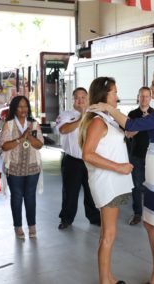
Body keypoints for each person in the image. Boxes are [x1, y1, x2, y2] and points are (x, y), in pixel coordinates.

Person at [88, 70, 154, 284]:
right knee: (150, 223)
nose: (151, 89)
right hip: (153, 170)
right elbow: (132, 129)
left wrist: (108, 108)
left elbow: (131, 125)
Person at [79, 77, 134, 284]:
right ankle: (105, 281)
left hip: (113, 182)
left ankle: (108, 277)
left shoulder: (107, 118)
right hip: (107, 182)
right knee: (108, 235)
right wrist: (119, 167)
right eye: (114, 93)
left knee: (108, 233)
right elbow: (88, 154)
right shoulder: (97, 121)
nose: (117, 97)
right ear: (104, 95)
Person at [56, 87, 101, 230]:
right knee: (70, 192)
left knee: (91, 191)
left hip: (90, 160)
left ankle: (94, 217)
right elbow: (63, 129)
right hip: (72, 161)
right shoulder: (66, 115)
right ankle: (66, 219)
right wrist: (81, 118)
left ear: (88, 98)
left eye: (83, 97)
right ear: (73, 99)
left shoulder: (95, 115)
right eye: (77, 97)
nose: (80, 100)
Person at [0, 96, 44, 239]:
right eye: (19, 106)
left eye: (25, 106)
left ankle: (32, 226)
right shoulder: (9, 125)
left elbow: (40, 145)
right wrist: (21, 138)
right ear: (14, 108)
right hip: (14, 167)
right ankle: (18, 227)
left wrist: (29, 137)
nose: (23, 109)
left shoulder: (34, 124)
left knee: (30, 197)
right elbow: (4, 146)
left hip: (32, 167)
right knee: (17, 197)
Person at [125, 87, 154, 226]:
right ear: (138, 97)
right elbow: (128, 134)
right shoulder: (132, 114)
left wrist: (148, 121)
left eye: (147, 96)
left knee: (151, 185)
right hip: (136, 154)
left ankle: (151, 213)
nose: (144, 99)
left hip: (152, 156)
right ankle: (137, 214)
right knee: (136, 186)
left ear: (151, 97)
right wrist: (142, 124)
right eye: (142, 96)